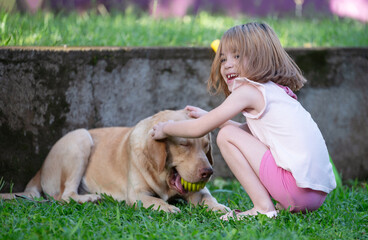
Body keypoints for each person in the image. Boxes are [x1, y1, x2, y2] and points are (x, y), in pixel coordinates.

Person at [150, 22, 336, 220]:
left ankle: (263, 207)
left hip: (295, 191)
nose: (227, 64)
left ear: (260, 57)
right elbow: (247, 134)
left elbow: (199, 129)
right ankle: (273, 204)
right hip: (314, 195)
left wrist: (166, 128)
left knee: (226, 136)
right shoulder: (276, 92)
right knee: (231, 132)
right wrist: (210, 117)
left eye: (237, 56)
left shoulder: (249, 91)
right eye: (223, 59)